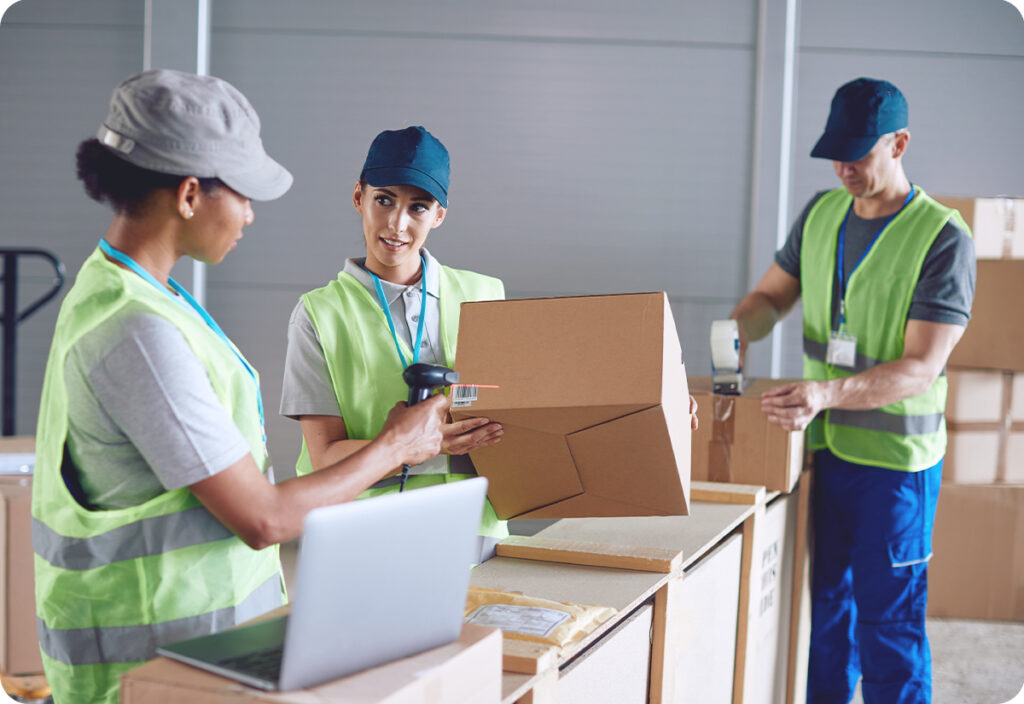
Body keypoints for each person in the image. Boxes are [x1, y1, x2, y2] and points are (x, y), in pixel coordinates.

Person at [32, 70, 447, 704]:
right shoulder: (137, 331)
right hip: (145, 674)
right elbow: (263, 517)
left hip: (194, 655)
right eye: (245, 194)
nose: (251, 215)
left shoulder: (132, 293)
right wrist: (396, 444)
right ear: (191, 195)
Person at [730, 78, 975, 703]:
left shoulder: (942, 238)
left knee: (887, 626)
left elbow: (921, 366)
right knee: (827, 617)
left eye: (858, 154)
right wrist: (733, 333)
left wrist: (823, 396)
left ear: (899, 144)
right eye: (835, 153)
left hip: (896, 473)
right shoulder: (820, 213)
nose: (844, 168)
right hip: (827, 455)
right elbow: (768, 299)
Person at [280, 126, 509, 559]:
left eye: (418, 207)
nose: (397, 224)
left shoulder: (486, 295)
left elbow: (541, 406)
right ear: (358, 197)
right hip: (363, 535)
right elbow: (324, 455)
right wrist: (429, 443)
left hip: (475, 531)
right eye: (383, 199)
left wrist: (665, 406)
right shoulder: (318, 315)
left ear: (439, 215)